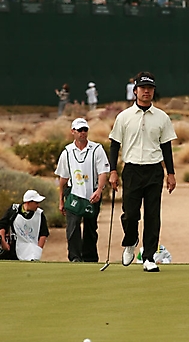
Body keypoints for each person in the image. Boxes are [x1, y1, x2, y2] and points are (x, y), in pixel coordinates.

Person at [109, 71, 177, 273]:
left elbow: (166, 147)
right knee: (130, 215)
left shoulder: (162, 117)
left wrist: (170, 173)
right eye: (142, 88)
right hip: (131, 170)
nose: (146, 91)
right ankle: (131, 241)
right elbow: (114, 145)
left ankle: (148, 257)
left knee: (153, 215)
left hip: (154, 170)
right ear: (135, 90)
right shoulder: (124, 117)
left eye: (150, 88)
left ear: (153, 91)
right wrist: (113, 171)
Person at [54, 117, 110, 262]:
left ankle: (90, 258)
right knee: (72, 229)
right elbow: (63, 178)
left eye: (85, 130)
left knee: (91, 229)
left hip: (92, 194)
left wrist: (99, 191)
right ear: (73, 131)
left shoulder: (97, 149)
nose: (82, 133)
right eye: (79, 130)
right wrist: (61, 199)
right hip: (73, 194)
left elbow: (103, 172)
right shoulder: (67, 151)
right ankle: (75, 258)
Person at [0, 189, 49, 261]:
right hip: (12, 249)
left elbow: (43, 234)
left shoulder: (40, 214)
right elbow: (2, 226)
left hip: (31, 252)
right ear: (28, 202)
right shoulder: (13, 210)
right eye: (36, 203)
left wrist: (37, 250)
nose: (38, 205)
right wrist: (3, 242)